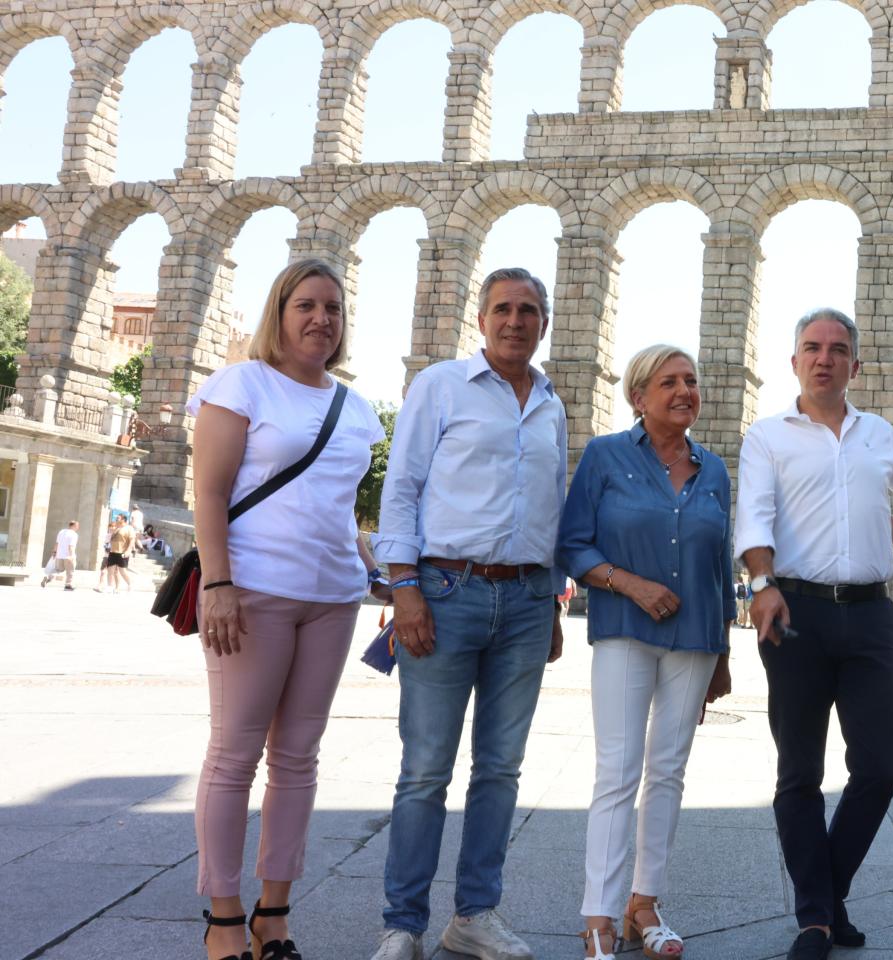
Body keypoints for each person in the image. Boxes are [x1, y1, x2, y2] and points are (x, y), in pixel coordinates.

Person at [186, 259, 388, 960]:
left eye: (332, 307)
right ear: (280, 311)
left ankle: (274, 915)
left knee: (298, 758)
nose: (320, 319)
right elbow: (209, 494)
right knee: (234, 753)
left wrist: (383, 567)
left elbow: (338, 508)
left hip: (334, 597)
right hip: (253, 593)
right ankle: (223, 916)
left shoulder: (357, 408)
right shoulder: (242, 384)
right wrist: (217, 584)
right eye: (306, 304)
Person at [734, 307, 893, 960]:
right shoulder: (767, 436)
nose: (823, 358)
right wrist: (761, 584)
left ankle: (825, 896)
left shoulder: (879, 434)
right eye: (811, 347)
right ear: (794, 360)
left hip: (869, 616)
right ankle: (817, 919)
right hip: (795, 613)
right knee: (799, 771)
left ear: (854, 365)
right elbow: (754, 518)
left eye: (836, 349)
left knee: (881, 765)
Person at [370, 267, 568, 960]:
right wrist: (404, 586)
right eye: (503, 309)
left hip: (526, 598)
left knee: (501, 768)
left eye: (529, 310)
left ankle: (475, 914)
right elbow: (404, 487)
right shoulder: (440, 386)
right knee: (425, 767)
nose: (516, 321)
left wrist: (551, 602)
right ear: (481, 319)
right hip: (444, 592)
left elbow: (551, 502)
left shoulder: (551, 403)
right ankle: (403, 924)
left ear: (544, 322)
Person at [557, 345, 736, 960]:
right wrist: (629, 583)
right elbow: (572, 544)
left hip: (697, 641)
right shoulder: (606, 456)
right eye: (669, 382)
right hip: (625, 632)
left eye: (691, 381)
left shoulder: (714, 471)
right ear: (639, 396)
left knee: (668, 772)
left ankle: (645, 903)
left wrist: (725, 653)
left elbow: (720, 563)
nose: (684, 391)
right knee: (618, 770)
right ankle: (599, 916)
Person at [41, 520, 78, 589]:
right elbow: (71, 546)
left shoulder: (61, 532)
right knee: (70, 571)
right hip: (68, 556)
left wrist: (54, 552)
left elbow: (57, 543)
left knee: (59, 571)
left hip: (59, 556)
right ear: (74, 526)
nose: (77, 528)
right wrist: (72, 556)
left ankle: (48, 577)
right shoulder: (74, 534)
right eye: (77, 526)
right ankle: (68, 585)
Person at [107, 517, 136, 591]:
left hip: (122, 552)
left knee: (122, 571)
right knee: (110, 570)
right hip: (113, 551)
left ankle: (130, 584)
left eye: (118, 518)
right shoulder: (117, 528)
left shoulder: (129, 528)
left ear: (123, 519)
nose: (116, 519)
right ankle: (110, 587)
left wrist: (129, 550)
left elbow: (132, 540)